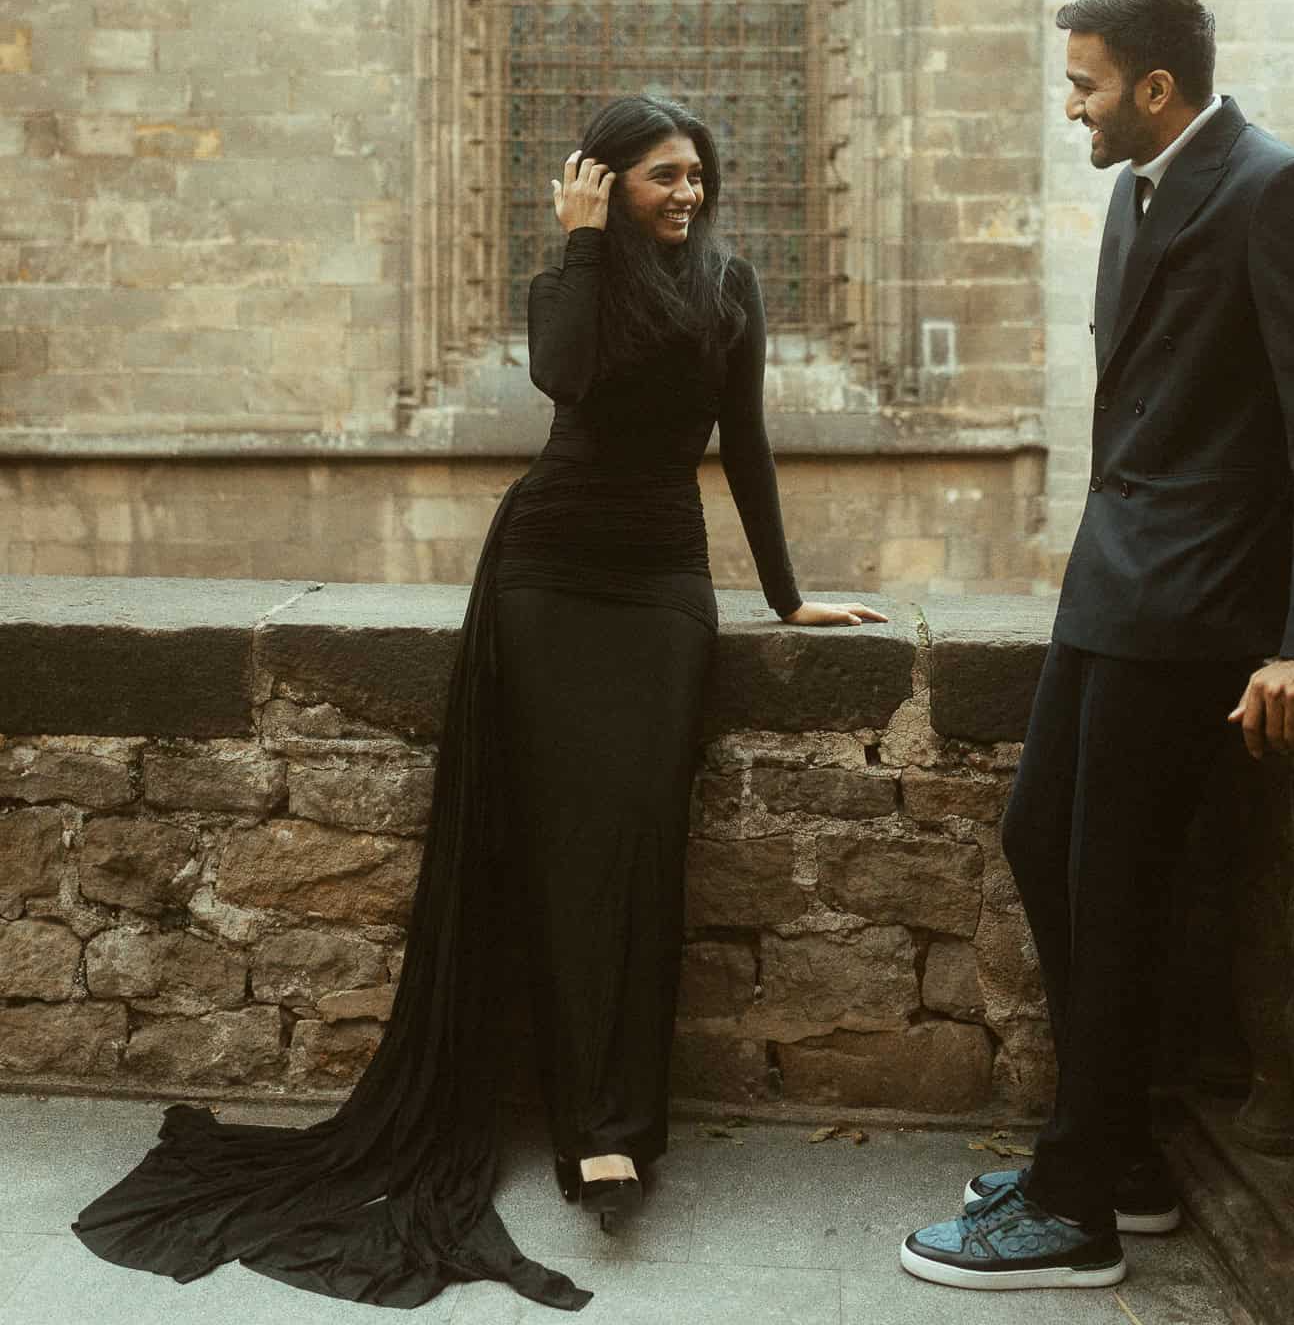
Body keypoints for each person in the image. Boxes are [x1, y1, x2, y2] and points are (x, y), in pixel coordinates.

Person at [74, 93, 882, 1313]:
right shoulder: (574, 281)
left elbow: (749, 439)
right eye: (662, 176)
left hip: (663, 580)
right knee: (562, 851)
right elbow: (563, 377)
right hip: (549, 574)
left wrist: (786, 594)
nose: (688, 193)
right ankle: (593, 1133)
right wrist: (571, 243)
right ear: (605, 182)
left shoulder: (732, 287)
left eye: (697, 175)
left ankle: (622, 1113)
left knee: (639, 842)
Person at [901, 0, 1294, 1294]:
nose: (1071, 107)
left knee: (1112, 891)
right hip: (1114, 591)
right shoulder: (1136, 185)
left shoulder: (1280, 190)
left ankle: (1076, 1201)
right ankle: (1126, 1158)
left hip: (1200, 610)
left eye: (1086, 83)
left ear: (1155, 87)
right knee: (1041, 841)